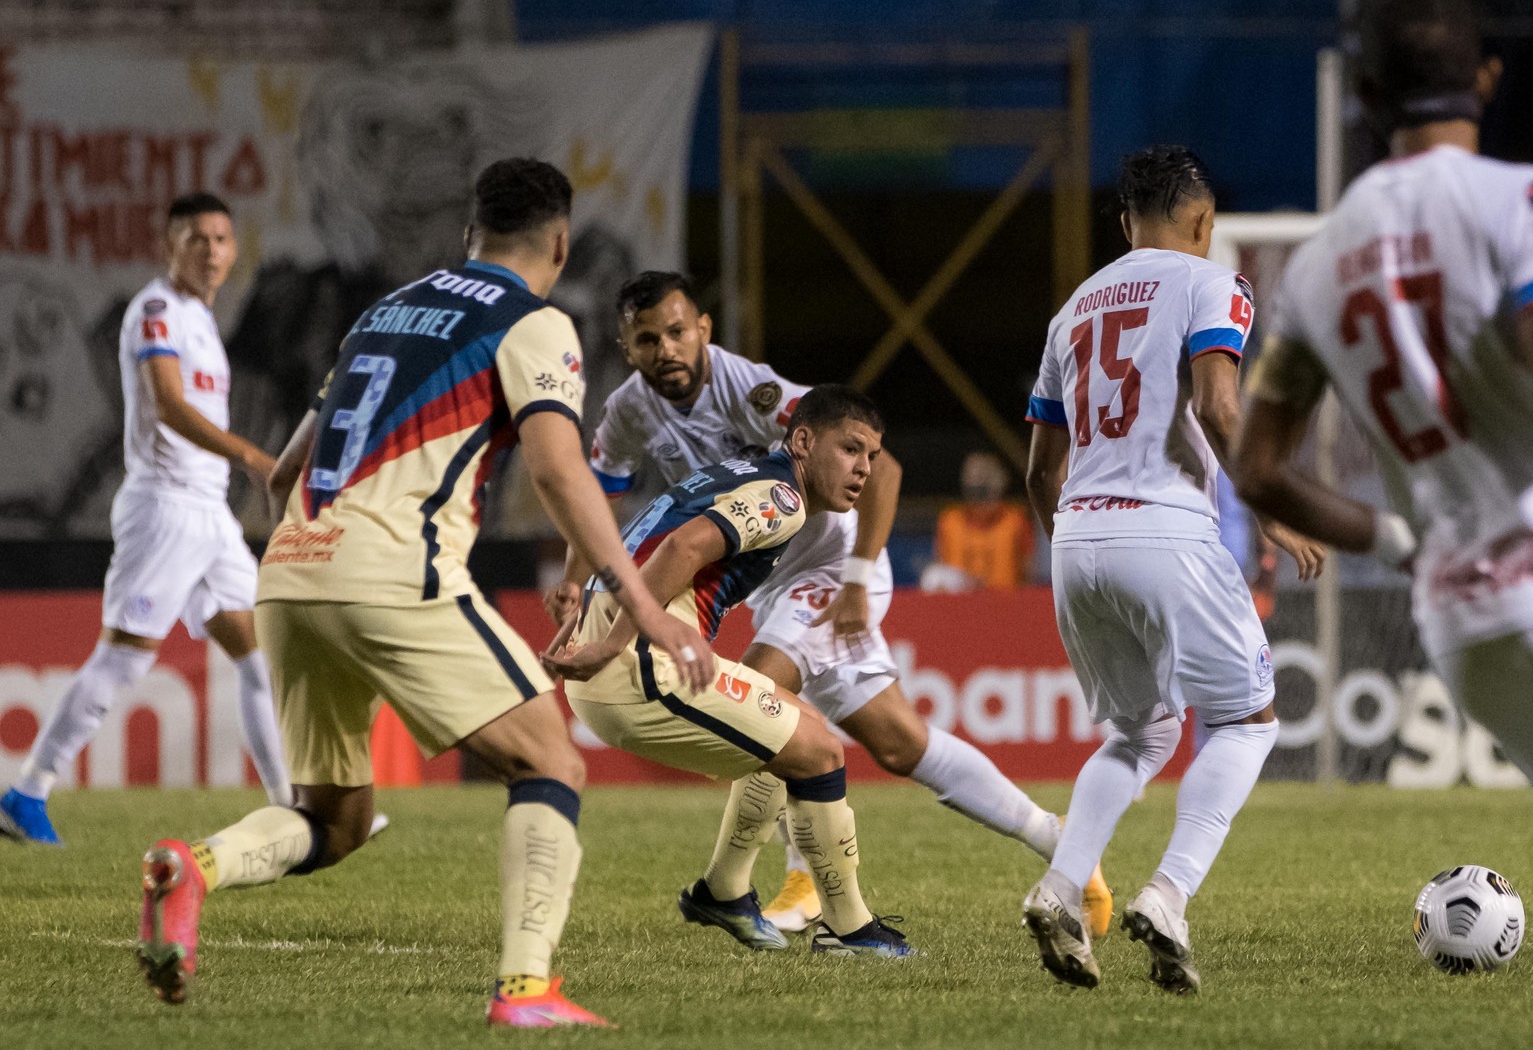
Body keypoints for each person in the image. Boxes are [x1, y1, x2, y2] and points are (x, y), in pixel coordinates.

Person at [132, 159, 715, 1028]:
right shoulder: (533, 319)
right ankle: (525, 989)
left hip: (291, 570)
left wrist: (318, 543)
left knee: (333, 820)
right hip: (393, 565)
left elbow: (287, 469)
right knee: (548, 760)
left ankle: (191, 865)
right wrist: (640, 607)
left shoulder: (381, 312)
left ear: (466, 236)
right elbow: (560, 468)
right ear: (560, 242)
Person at [544, 272, 1111, 942]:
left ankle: (773, 882)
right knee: (897, 741)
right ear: (627, 347)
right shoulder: (630, 410)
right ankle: (1057, 839)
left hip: (827, 563)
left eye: (678, 331)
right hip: (772, 572)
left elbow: (880, 466)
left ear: (704, 329)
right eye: (648, 339)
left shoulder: (748, 389)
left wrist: (860, 576)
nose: (667, 348)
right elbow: (596, 492)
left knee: (768, 707)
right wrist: (576, 578)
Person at [1235, 0, 1533, 848]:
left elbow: (1256, 469)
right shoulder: (1526, 198)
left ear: (1365, 97)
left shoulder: (1313, 269)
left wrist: (1397, 543)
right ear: (1487, 79)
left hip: (1464, 628)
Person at [1022, 145, 1325, 993]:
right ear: (1202, 222)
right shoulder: (1208, 283)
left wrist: (1074, 547)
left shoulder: (1071, 312)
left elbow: (1039, 471)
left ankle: (1058, 887)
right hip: (1169, 533)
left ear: (1124, 223)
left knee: (1143, 730)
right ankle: (1168, 893)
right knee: (1249, 719)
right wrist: (1269, 506)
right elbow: (1218, 406)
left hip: (1076, 538)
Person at [546, 385, 913, 957]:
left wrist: (587, 606)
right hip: (639, 665)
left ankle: (723, 891)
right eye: (850, 450)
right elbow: (680, 550)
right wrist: (614, 641)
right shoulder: (784, 499)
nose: (863, 469)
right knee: (821, 751)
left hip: (615, 656)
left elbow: (643, 535)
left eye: (871, 456)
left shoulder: (736, 472)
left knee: (792, 733)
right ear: (803, 440)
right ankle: (852, 930)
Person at [0, 194, 293, 845]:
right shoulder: (156, 311)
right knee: (124, 661)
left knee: (258, 656)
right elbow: (165, 405)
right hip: (165, 508)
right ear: (169, 246)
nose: (212, 250)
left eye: (221, 238)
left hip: (208, 515)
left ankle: (288, 810)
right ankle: (27, 791)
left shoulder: (203, 324)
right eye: (197, 239)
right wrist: (251, 455)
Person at [924, 450, 1036, 591]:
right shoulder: (949, 521)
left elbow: (1028, 577)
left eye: (984, 491)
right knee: (932, 577)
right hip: (959, 605)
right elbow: (940, 571)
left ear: (999, 487)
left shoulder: (1016, 522)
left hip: (1004, 605)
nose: (980, 501)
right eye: (974, 492)